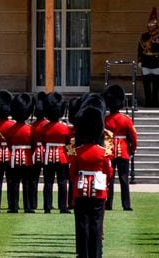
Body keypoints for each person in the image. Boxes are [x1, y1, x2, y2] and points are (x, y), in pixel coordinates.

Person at [69, 105, 111, 258]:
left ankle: (83, 253)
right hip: (98, 191)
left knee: (81, 224)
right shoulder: (102, 152)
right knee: (96, 225)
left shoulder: (78, 151)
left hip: (80, 191)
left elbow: (72, 172)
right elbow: (109, 172)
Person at [103, 84, 137, 212]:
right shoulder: (126, 119)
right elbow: (133, 136)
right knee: (124, 179)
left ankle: (108, 204)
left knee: (109, 179)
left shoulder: (105, 119)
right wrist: (132, 149)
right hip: (123, 151)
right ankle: (126, 205)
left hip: (109, 151)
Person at [38, 92, 71, 214]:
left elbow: (41, 141)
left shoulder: (44, 127)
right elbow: (68, 144)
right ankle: (63, 207)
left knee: (48, 183)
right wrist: (71, 157)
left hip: (48, 157)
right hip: (62, 157)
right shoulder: (65, 128)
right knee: (62, 183)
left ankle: (47, 206)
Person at [140, 7, 159, 106]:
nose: (150, 27)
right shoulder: (144, 36)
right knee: (146, 85)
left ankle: (155, 102)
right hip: (146, 62)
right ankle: (148, 102)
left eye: (152, 25)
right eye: (149, 25)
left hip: (156, 62)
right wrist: (139, 60)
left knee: (156, 85)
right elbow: (140, 48)